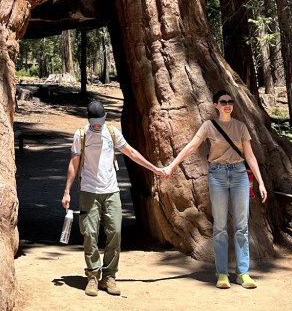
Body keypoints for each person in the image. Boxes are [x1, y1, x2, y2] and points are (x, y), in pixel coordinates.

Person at [61, 99, 167, 297]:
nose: (97, 124)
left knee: (115, 233)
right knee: (90, 234)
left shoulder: (112, 133)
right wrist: (67, 191)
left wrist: (154, 169)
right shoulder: (81, 135)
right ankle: (93, 275)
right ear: (89, 119)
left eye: (100, 120)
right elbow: (74, 164)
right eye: (94, 121)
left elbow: (131, 152)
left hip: (111, 191)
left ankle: (109, 276)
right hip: (89, 191)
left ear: (104, 117)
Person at [163, 88, 267, 289]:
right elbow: (191, 147)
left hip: (239, 175)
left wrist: (261, 182)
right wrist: (172, 165)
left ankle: (243, 273)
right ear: (216, 105)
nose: (228, 104)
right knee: (220, 227)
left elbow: (250, 156)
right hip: (217, 175)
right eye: (223, 101)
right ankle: (222, 274)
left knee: (241, 226)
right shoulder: (209, 126)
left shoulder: (241, 127)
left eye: (230, 101)